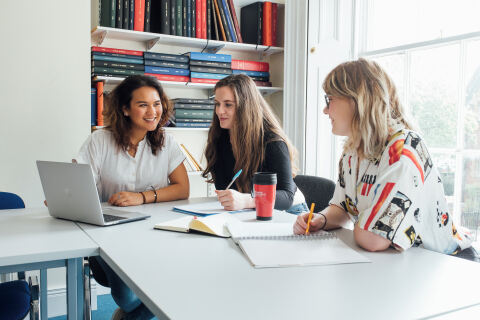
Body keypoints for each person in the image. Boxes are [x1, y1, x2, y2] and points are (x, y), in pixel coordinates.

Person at [294, 58, 472, 255]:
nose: (325, 110)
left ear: (357, 100)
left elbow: (373, 239)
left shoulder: (403, 150)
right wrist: (322, 219)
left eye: (330, 99)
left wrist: (365, 225)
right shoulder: (353, 150)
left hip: (446, 262)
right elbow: (343, 208)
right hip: (401, 262)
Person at [75, 75, 189, 319]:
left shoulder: (167, 142)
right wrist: (69, 195)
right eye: (143, 104)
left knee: (176, 281)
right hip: (107, 236)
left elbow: (182, 188)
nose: (153, 111)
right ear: (125, 109)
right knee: (129, 298)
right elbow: (79, 185)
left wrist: (143, 197)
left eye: (157, 103)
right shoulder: (99, 140)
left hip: (154, 234)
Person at [202, 74, 306, 214]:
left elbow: (287, 197)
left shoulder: (273, 142)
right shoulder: (219, 139)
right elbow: (225, 189)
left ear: (246, 106)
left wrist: (247, 200)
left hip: (289, 212)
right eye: (217, 104)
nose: (220, 111)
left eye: (228, 105)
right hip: (250, 211)